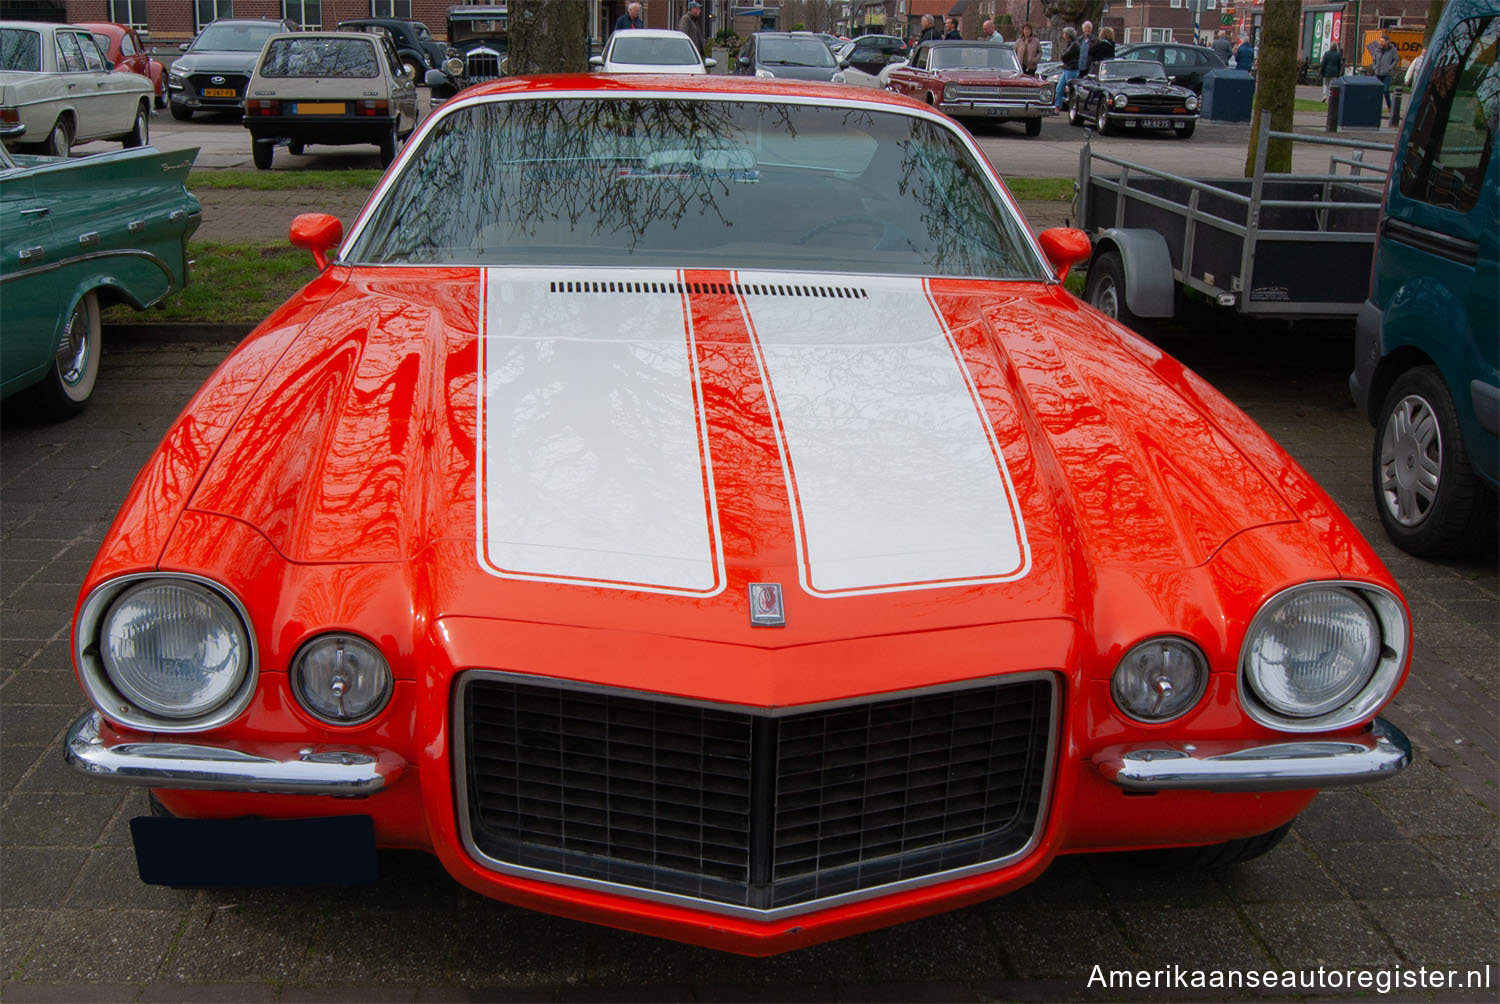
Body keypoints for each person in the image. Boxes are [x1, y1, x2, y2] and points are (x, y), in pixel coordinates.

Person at [1368, 31, 1399, 110]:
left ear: (1387, 41)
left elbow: (1396, 60)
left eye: (1382, 41)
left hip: (1386, 73)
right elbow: (1374, 59)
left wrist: (1390, 67)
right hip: (1378, 72)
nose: (1381, 43)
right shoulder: (1378, 49)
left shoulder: (1392, 50)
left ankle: (1389, 106)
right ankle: (1375, 106)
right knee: (1376, 90)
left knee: (1386, 90)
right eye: (1380, 41)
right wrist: (1374, 67)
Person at [1055, 26, 1078, 109]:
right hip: (1067, 68)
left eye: (1064, 33)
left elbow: (1064, 55)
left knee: (1070, 89)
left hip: (1072, 69)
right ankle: (1057, 106)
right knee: (1059, 88)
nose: (1063, 35)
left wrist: (1064, 57)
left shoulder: (1074, 44)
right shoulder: (1070, 44)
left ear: (1068, 35)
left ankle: (1071, 107)